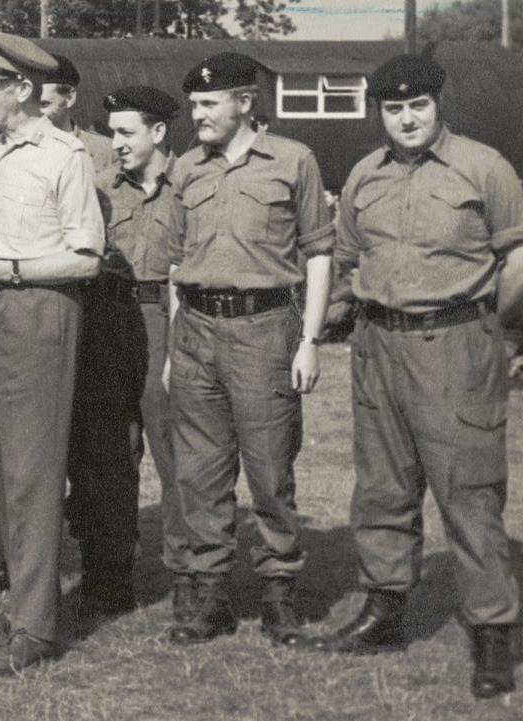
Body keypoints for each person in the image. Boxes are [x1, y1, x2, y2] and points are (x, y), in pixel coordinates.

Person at [313, 54, 523, 700]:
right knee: (381, 488)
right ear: (380, 112)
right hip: (379, 347)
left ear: (438, 104)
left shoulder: (484, 167)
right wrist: (334, 323)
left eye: (418, 106)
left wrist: (504, 333)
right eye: (394, 108)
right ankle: (384, 610)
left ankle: (492, 632)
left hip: (455, 342)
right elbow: (347, 257)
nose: (406, 118)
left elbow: (515, 260)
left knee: (469, 491)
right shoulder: (363, 175)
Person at [0, 28, 104, 674]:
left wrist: (4, 268)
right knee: (9, 469)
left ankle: (36, 628)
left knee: (36, 471)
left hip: (37, 312)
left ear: (22, 89)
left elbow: (85, 258)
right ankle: (22, 606)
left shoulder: (66, 155)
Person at [164, 52, 333, 647]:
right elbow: (175, 263)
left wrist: (309, 341)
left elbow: (318, 254)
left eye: (209, 103)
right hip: (196, 333)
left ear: (245, 102)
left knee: (268, 469)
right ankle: (209, 597)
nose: (198, 113)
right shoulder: (186, 168)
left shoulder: (293, 161)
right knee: (200, 473)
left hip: (265, 331)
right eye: (194, 104)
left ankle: (279, 593)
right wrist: (172, 349)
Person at [67, 85, 183, 621]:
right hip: (108, 319)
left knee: (176, 451)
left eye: (126, 132)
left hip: (167, 317)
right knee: (106, 451)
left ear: (159, 132)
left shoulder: (192, 184)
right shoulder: (98, 188)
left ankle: (192, 576)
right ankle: (107, 573)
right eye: (111, 132)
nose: (114, 144)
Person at [40, 54, 118, 173]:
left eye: (44, 104)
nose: (36, 112)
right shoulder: (15, 149)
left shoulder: (105, 152)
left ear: (69, 98)